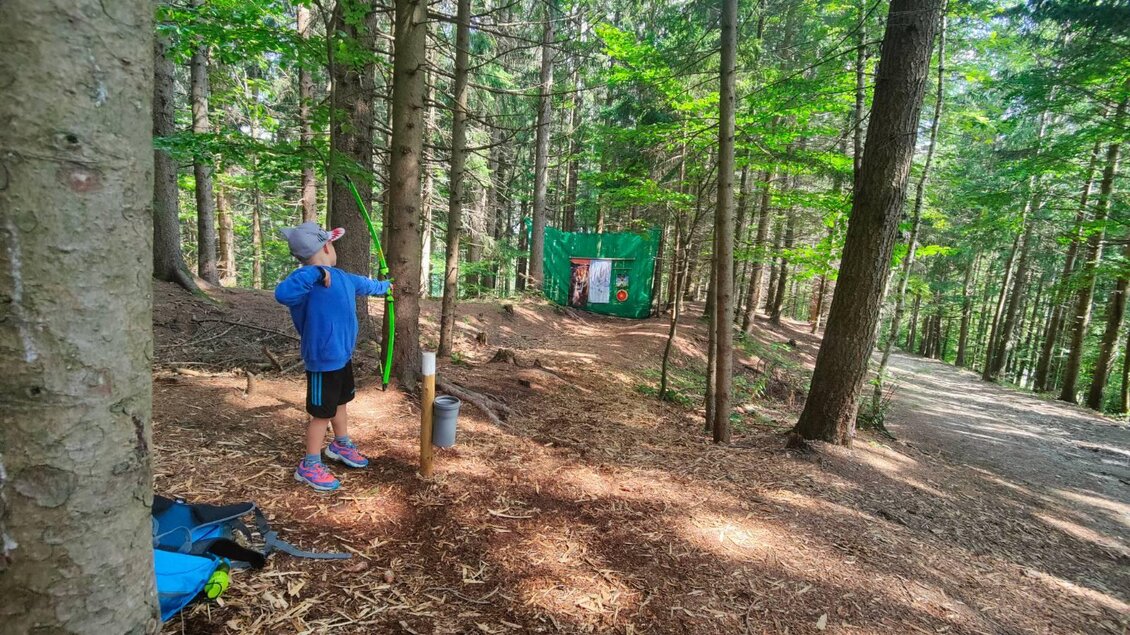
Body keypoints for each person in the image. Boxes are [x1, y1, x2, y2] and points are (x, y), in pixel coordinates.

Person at [275, 222, 391, 491]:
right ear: (327, 246)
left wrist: (386, 287)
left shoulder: (342, 277)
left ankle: (340, 444)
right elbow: (282, 294)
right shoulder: (304, 281)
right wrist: (314, 272)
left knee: (341, 403)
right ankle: (310, 464)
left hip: (342, 357)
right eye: (332, 244)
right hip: (321, 361)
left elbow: (367, 285)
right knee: (321, 413)